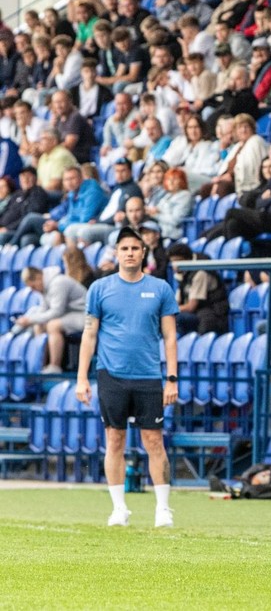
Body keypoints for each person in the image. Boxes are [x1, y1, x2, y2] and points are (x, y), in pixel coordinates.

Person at [75, 225, 179, 528]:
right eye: (125, 249)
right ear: (117, 253)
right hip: (111, 374)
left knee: (154, 441)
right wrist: (82, 378)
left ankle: (163, 509)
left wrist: (171, 378)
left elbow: (170, 338)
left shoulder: (160, 289)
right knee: (115, 439)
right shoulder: (100, 288)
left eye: (135, 248)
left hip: (148, 375)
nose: (130, 253)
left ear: (143, 252)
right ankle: (119, 508)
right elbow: (89, 334)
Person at [17, 266, 88, 374]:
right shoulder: (43, 287)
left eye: (33, 286)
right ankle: (41, 366)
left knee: (52, 325)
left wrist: (30, 320)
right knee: (39, 325)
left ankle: (55, 366)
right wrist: (31, 320)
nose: (33, 290)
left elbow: (56, 311)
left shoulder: (58, 283)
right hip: (69, 314)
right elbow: (43, 309)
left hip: (85, 315)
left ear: (38, 277)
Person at [167, 242, 230, 335]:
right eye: (172, 262)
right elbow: (177, 301)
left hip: (210, 314)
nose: (175, 266)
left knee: (175, 319)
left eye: (178, 261)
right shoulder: (183, 273)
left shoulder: (200, 273)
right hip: (196, 313)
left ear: (187, 260)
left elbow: (191, 306)